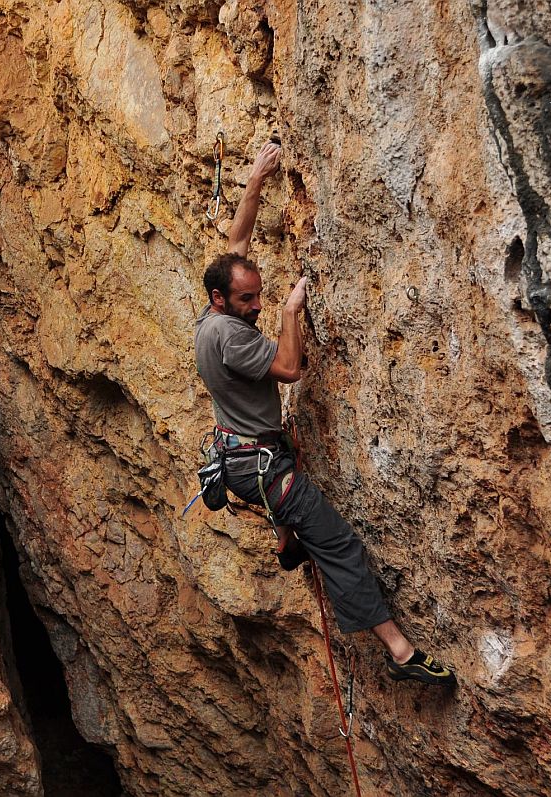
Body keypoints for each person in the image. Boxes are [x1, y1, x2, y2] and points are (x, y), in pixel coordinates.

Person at [194, 141, 456, 686]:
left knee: (300, 524)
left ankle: (290, 542)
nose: (258, 305)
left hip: (242, 454)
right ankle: (401, 652)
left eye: (260, 296)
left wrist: (255, 182)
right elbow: (289, 368)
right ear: (221, 301)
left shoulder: (213, 311)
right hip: (264, 467)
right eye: (249, 301)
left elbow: (235, 242)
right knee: (337, 544)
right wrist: (291, 312)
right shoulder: (231, 339)